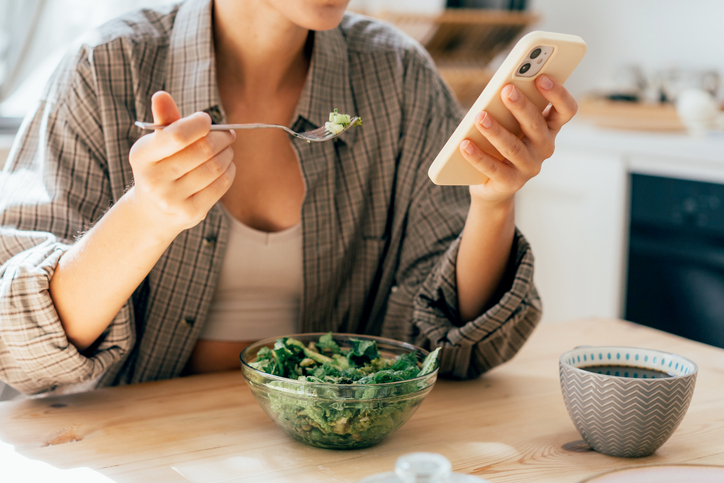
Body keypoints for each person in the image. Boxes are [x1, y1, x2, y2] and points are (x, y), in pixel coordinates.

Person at [0, 0, 578, 396]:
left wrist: (494, 202)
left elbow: (452, 349)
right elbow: (18, 345)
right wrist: (147, 217)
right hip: (132, 452)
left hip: (332, 455)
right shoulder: (107, 67)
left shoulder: (397, 77)